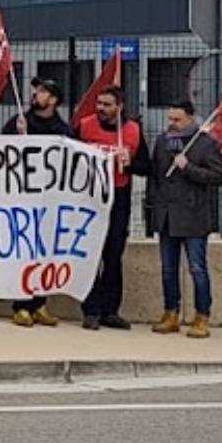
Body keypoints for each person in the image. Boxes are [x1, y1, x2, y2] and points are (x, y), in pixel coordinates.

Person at [147, 99, 222, 339]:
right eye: (170, 119)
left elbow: (217, 176)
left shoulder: (204, 144)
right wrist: (153, 208)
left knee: (197, 268)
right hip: (167, 215)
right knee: (169, 269)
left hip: (193, 216)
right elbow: (155, 176)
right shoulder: (162, 142)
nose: (172, 124)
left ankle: (202, 315)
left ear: (190, 119)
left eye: (177, 120)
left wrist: (188, 167)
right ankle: (171, 312)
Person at [77, 86, 148, 331]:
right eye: (99, 104)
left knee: (113, 256)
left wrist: (129, 164)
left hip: (118, 197)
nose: (101, 109)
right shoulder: (84, 126)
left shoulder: (133, 131)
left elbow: (145, 166)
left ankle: (110, 310)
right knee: (90, 256)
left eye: (107, 105)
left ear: (120, 107)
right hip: (89, 197)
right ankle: (91, 310)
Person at [5, 77, 73, 326]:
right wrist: (17, 135)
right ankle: (20, 304)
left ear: (53, 99)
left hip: (49, 200)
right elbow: (1, 151)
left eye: (42, 91)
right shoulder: (21, 121)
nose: (36, 94)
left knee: (45, 253)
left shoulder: (62, 129)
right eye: (36, 90)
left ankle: (40, 303)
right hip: (22, 198)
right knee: (22, 252)